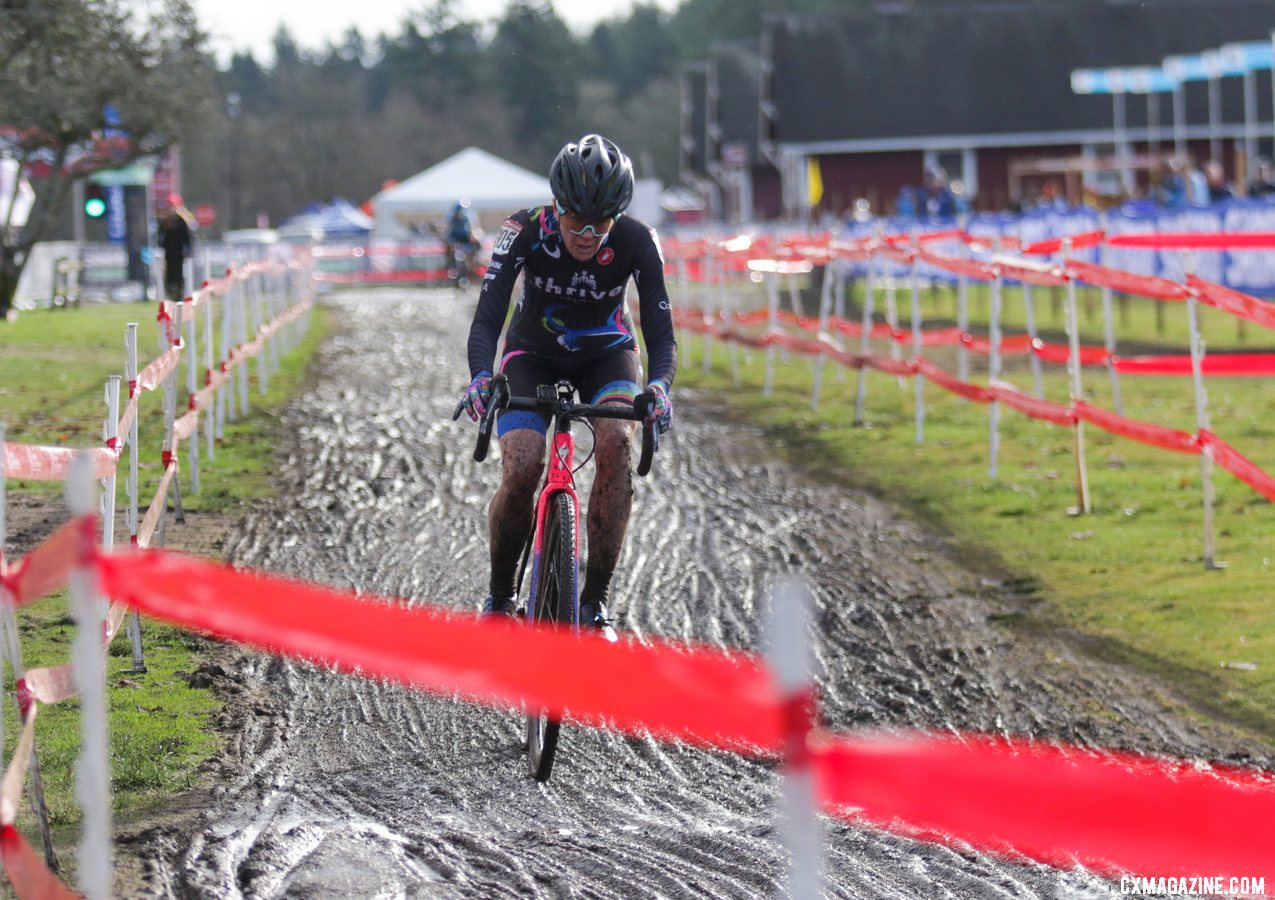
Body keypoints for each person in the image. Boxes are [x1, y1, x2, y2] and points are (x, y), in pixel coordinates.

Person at [459, 134, 676, 640]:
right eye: (575, 220)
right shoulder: (524, 229)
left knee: (616, 445)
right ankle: (500, 595)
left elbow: (661, 330)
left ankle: (594, 602)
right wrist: (480, 376)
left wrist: (661, 387)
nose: (586, 234)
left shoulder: (638, 240)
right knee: (524, 463)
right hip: (531, 353)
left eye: (600, 224)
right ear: (556, 205)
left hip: (607, 355)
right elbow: (489, 315)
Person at [157, 195, 193, 302]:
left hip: (181, 255)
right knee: (169, 276)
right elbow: (160, 237)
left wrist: (187, 251)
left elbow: (188, 238)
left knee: (180, 275)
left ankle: (180, 294)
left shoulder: (183, 220)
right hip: (169, 254)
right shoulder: (164, 221)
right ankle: (170, 294)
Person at [445, 198, 479, 283]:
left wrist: (472, 239)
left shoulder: (466, 219)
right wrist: (452, 244)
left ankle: (470, 274)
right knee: (455, 256)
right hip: (455, 243)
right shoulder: (452, 219)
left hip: (465, 244)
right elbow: (449, 235)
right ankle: (453, 272)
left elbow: (470, 233)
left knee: (470, 258)